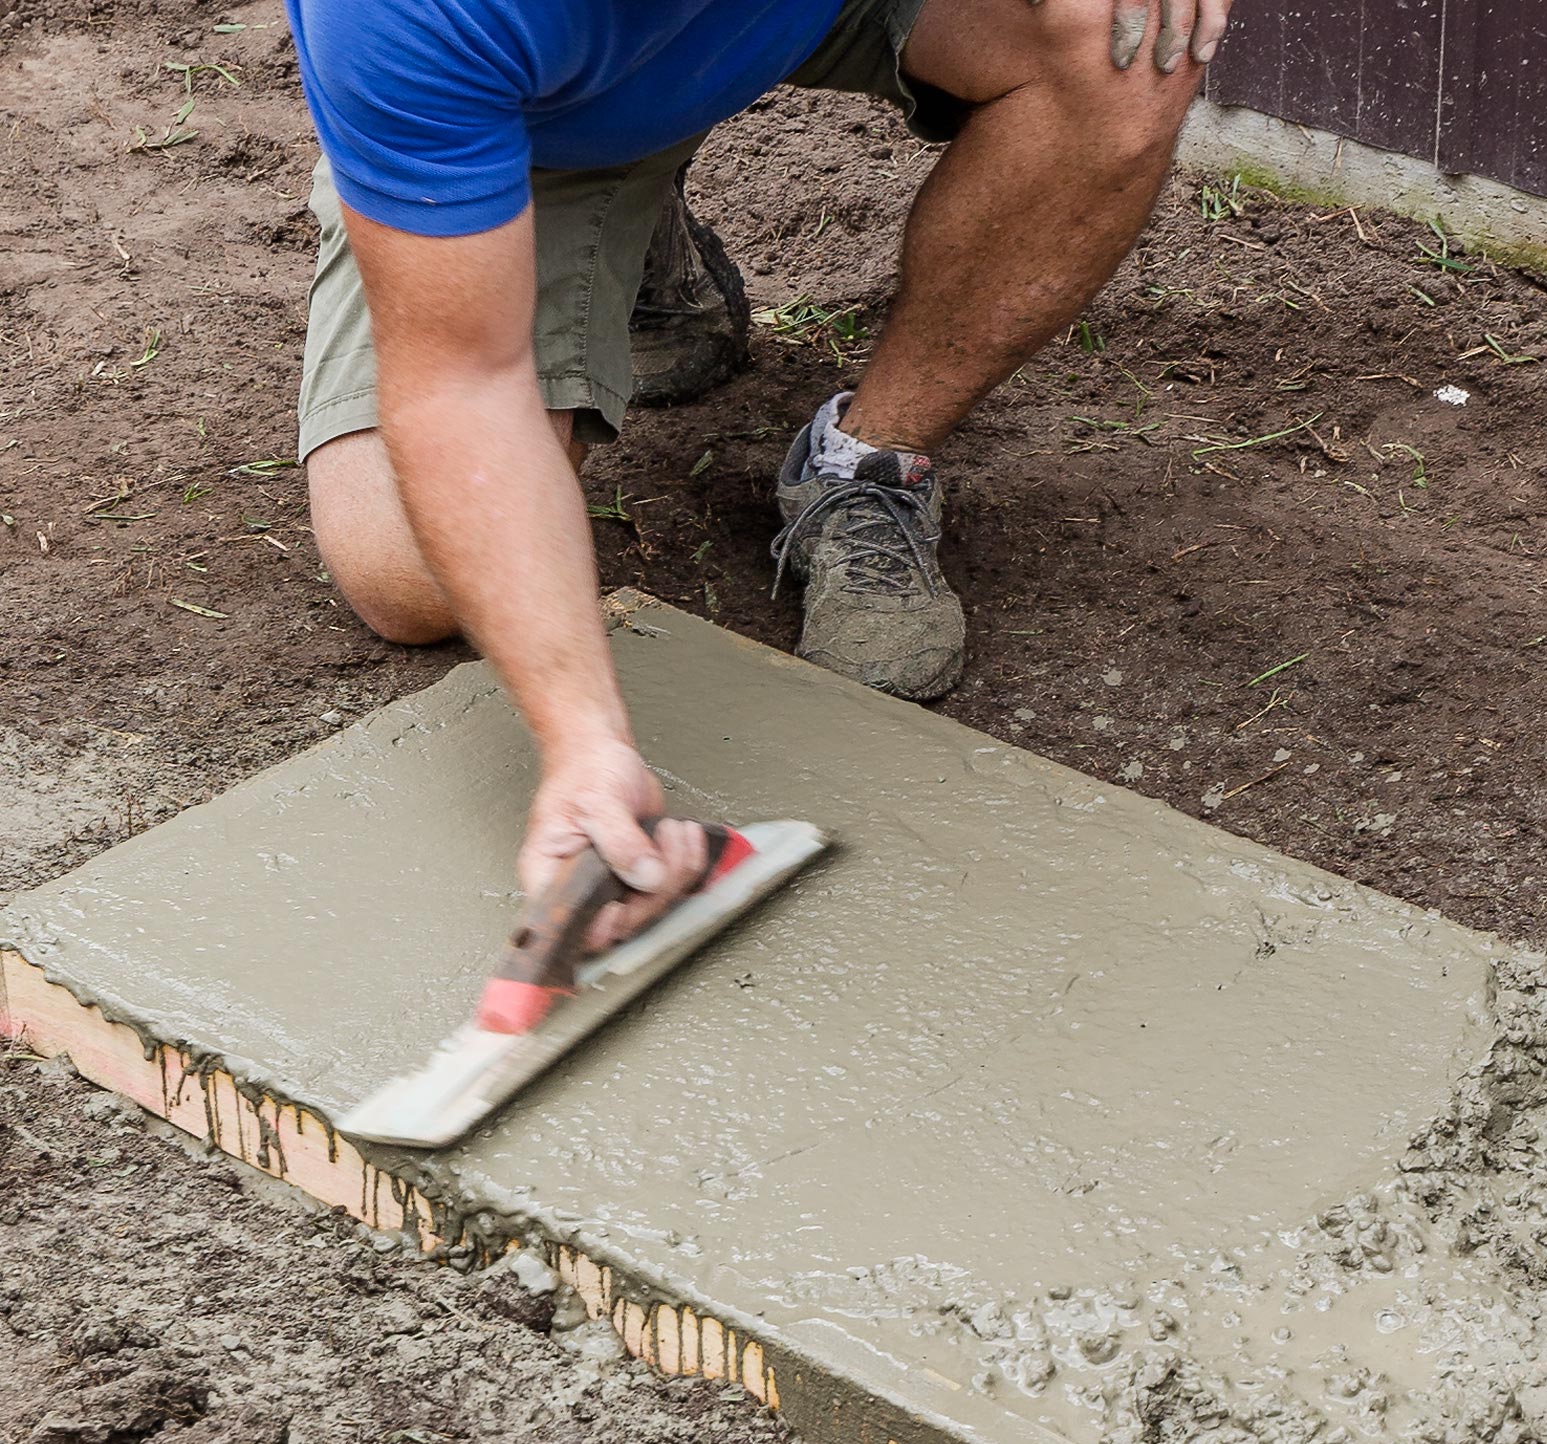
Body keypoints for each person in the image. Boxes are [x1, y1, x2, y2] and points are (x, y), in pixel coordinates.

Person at [288, 0, 1233, 944]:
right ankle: (570, 204)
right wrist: (584, 739)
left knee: (1126, 40)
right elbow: (462, 388)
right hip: (549, 123)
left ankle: (865, 462)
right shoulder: (401, 17)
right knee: (414, 571)